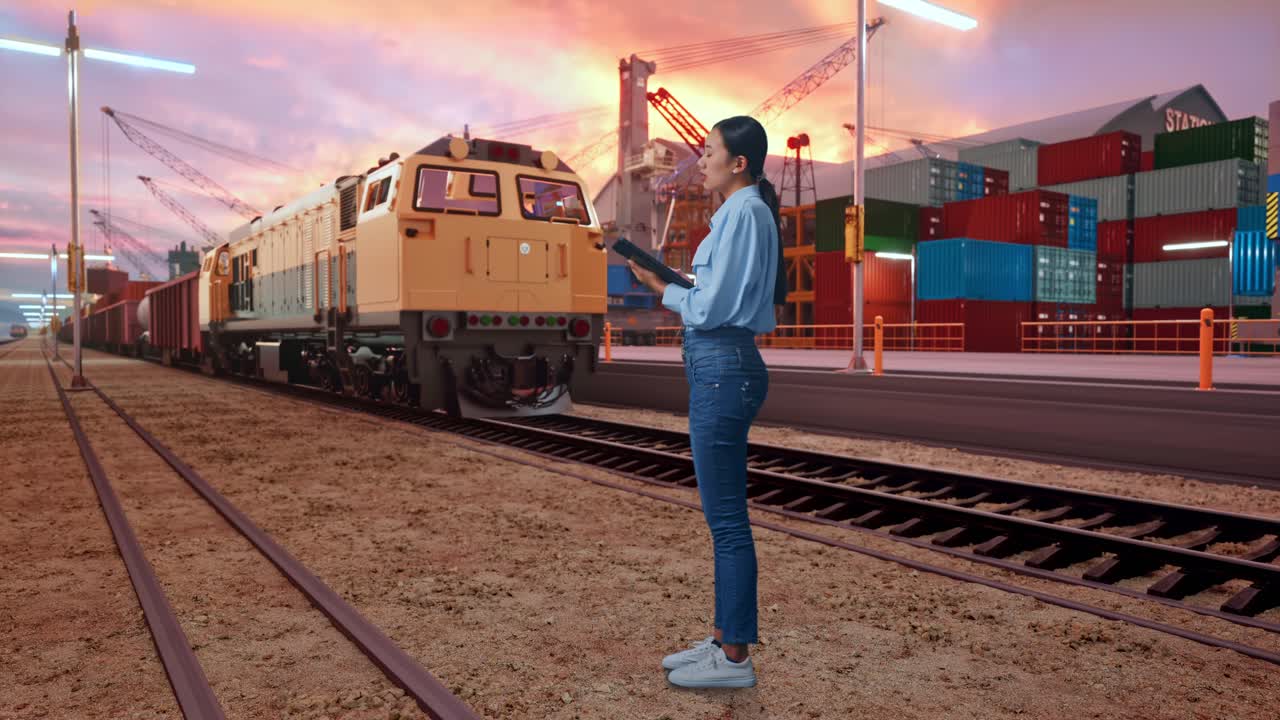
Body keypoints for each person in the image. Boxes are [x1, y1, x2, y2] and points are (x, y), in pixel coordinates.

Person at [627, 115, 785, 690]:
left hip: (723, 365)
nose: (701, 160)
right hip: (721, 364)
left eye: (709, 151)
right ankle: (724, 638)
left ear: (738, 163)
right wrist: (671, 285)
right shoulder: (743, 213)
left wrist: (662, 290)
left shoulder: (744, 212)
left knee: (728, 523)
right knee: (724, 520)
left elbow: (714, 306)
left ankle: (735, 659)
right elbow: (717, 293)